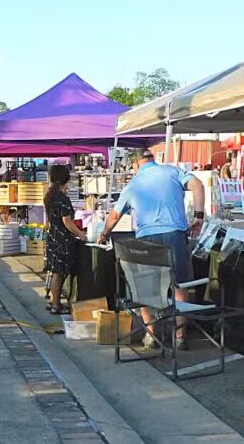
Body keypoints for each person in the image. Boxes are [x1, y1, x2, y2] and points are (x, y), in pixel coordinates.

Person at [97, 150, 205, 351]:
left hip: (146, 240)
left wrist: (104, 233)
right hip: (175, 235)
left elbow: (113, 217)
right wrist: (199, 215)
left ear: (135, 165)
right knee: (179, 285)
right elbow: (197, 184)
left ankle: (151, 335)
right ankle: (180, 336)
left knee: (146, 286)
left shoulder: (133, 185)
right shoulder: (172, 171)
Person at [44, 165, 87, 315]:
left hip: (52, 236)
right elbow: (67, 221)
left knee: (56, 270)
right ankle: (56, 304)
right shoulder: (62, 199)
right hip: (62, 239)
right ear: (65, 179)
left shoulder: (50, 195)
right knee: (59, 273)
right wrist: (81, 234)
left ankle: (52, 300)